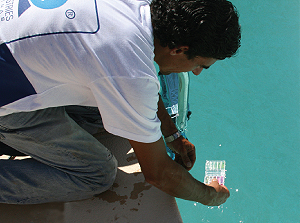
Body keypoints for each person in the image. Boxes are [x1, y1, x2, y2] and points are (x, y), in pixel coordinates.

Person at [0, 0, 241, 206]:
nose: (197, 72)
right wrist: (210, 195)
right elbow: (158, 174)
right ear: (179, 50)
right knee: (97, 174)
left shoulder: (142, 8)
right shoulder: (130, 68)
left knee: (106, 116)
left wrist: (170, 133)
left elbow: (129, 80)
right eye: (201, 65)